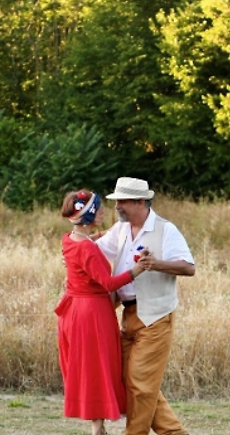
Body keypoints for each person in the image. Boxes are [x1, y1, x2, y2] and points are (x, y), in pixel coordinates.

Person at [96, 177, 195, 435]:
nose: (117, 206)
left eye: (122, 201)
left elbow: (189, 267)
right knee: (134, 382)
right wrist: (77, 241)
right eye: (116, 201)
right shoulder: (119, 230)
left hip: (156, 317)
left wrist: (156, 263)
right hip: (127, 315)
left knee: (140, 384)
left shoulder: (166, 230)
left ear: (140, 201)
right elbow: (93, 252)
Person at [55, 189, 146, 435]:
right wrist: (137, 270)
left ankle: (99, 426)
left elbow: (87, 244)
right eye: (99, 208)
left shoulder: (69, 239)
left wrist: (98, 236)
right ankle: (97, 429)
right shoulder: (88, 249)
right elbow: (108, 283)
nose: (105, 210)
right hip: (92, 313)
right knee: (98, 366)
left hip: (74, 310)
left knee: (89, 366)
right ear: (90, 216)